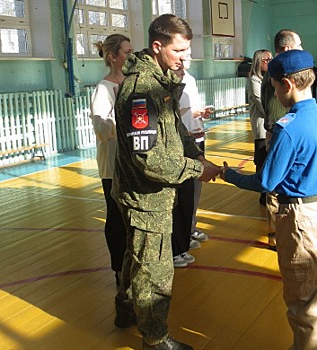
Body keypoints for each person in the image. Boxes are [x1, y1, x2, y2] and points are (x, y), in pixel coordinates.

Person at [111, 14, 221, 350]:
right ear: (158, 46)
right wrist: (194, 169)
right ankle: (155, 339)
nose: (185, 57)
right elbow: (149, 158)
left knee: (137, 256)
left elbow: (175, 130)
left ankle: (127, 308)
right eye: (180, 50)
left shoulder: (159, 81)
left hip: (150, 195)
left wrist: (197, 156)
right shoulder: (142, 90)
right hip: (146, 196)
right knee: (155, 272)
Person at [221, 50, 317, 350]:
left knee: (304, 301)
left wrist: (227, 175)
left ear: (287, 84)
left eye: (274, 86)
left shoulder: (289, 128)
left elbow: (266, 181)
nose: (274, 92)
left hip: (301, 220)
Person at [89, 34, 132, 286]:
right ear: (113, 57)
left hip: (132, 161)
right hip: (113, 163)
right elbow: (102, 130)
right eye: (126, 52)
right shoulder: (103, 89)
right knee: (116, 215)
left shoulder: (132, 83)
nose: (130, 56)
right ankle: (118, 267)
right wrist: (122, 117)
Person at [260, 29, 303, 249]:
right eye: (299, 45)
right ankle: (276, 235)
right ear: (287, 49)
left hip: (284, 133)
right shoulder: (275, 74)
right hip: (279, 135)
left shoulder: (280, 71)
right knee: (275, 187)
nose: (301, 50)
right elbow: (277, 114)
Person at [171, 58, 212, 268]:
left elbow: (189, 110)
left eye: (186, 56)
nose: (183, 61)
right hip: (180, 143)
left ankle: (189, 228)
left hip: (194, 137)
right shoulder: (165, 84)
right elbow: (175, 115)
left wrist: (199, 116)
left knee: (193, 189)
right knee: (182, 192)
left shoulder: (191, 80)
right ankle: (179, 240)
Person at [247, 49, 272, 205]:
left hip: (270, 126)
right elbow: (261, 104)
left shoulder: (268, 79)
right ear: (258, 62)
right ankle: (263, 194)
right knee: (261, 160)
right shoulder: (254, 80)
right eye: (266, 60)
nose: (270, 62)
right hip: (262, 128)